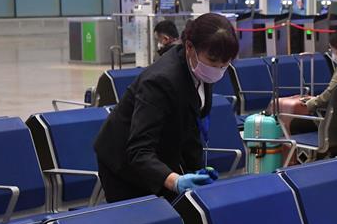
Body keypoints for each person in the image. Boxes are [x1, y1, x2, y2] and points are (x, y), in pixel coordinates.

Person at [94, 13, 239, 202]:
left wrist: (196, 172)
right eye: (213, 61)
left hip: (161, 152)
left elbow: (190, 127)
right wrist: (176, 181)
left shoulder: (200, 68)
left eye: (225, 63)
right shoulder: (159, 82)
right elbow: (139, 150)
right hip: (124, 164)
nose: (219, 68)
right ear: (189, 47)